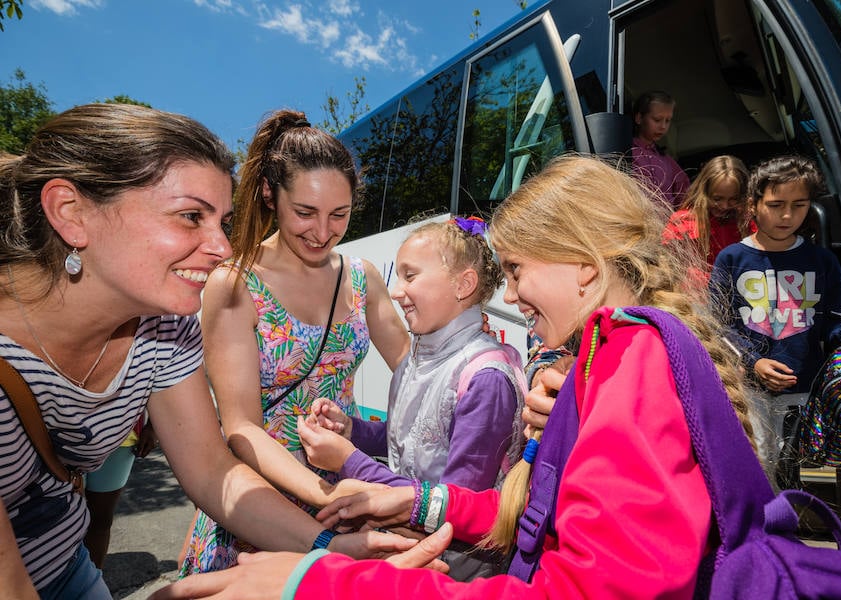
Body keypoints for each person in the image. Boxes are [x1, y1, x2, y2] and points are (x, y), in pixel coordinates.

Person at [152, 154, 757, 600]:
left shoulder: (629, 368)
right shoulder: (617, 357)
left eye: (517, 270)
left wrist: (324, 577)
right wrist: (405, 489)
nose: (511, 294)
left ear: (585, 263)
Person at [0, 103, 417, 599]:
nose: (221, 247)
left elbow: (210, 467)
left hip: (69, 565)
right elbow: (238, 429)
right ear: (71, 212)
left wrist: (328, 543)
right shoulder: (230, 287)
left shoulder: (165, 325)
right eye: (190, 216)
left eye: (219, 219)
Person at [179, 109, 412, 575]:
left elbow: (416, 371)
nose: (323, 233)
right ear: (270, 194)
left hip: (347, 491)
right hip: (263, 502)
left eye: (339, 215)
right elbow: (241, 427)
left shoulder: (362, 278)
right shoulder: (236, 284)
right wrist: (323, 492)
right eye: (305, 212)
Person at [298, 217, 526, 581]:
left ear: (463, 284)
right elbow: (415, 435)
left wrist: (348, 460)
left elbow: (455, 506)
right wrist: (351, 430)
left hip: (455, 574)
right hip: (412, 553)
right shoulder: (415, 360)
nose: (395, 290)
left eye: (410, 275)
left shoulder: (486, 379)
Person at [711, 155, 841, 474]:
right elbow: (719, 326)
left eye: (799, 205)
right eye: (776, 205)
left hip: (805, 391)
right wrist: (753, 362)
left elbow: (834, 325)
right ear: (753, 203)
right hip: (748, 394)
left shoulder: (823, 261)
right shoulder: (731, 258)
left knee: (800, 474)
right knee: (754, 469)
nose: (787, 215)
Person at [83, 414, 157, 568]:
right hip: (64, 437)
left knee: (101, 520)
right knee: (64, 518)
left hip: (122, 436)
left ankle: (94, 583)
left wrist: (152, 427)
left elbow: (157, 389)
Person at [663, 155, 752, 274]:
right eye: (717, 198)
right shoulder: (684, 221)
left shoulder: (746, 220)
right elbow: (668, 261)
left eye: (733, 199)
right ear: (703, 192)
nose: (724, 205)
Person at [630, 90, 690, 208]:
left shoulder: (667, 160)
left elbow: (685, 194)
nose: (663, 126)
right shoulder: (627, 153)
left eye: (667, 121)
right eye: (657, 120)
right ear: (639, 118)